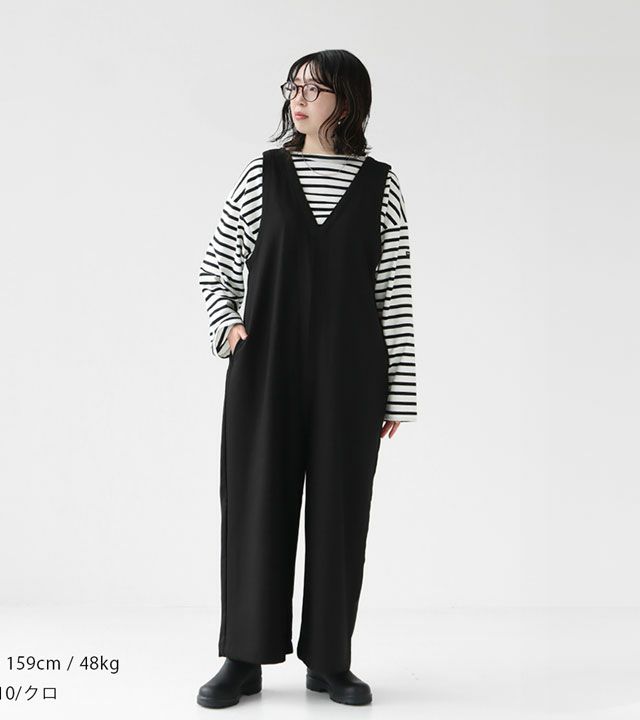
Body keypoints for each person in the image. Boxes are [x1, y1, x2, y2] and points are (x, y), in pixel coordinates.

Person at [196, 49, 418, 708]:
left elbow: (394, 294)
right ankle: (243, 658)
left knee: (340, 515)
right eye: (293, 87)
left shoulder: (381, 185)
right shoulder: (262, 174)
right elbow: (215, 265)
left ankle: (330, 660)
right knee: (255, 505)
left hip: (352, 377)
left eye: (314, 89)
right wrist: (229, 326)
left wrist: (399, 392)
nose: (298, 99)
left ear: (346, 101)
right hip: (265, 370)